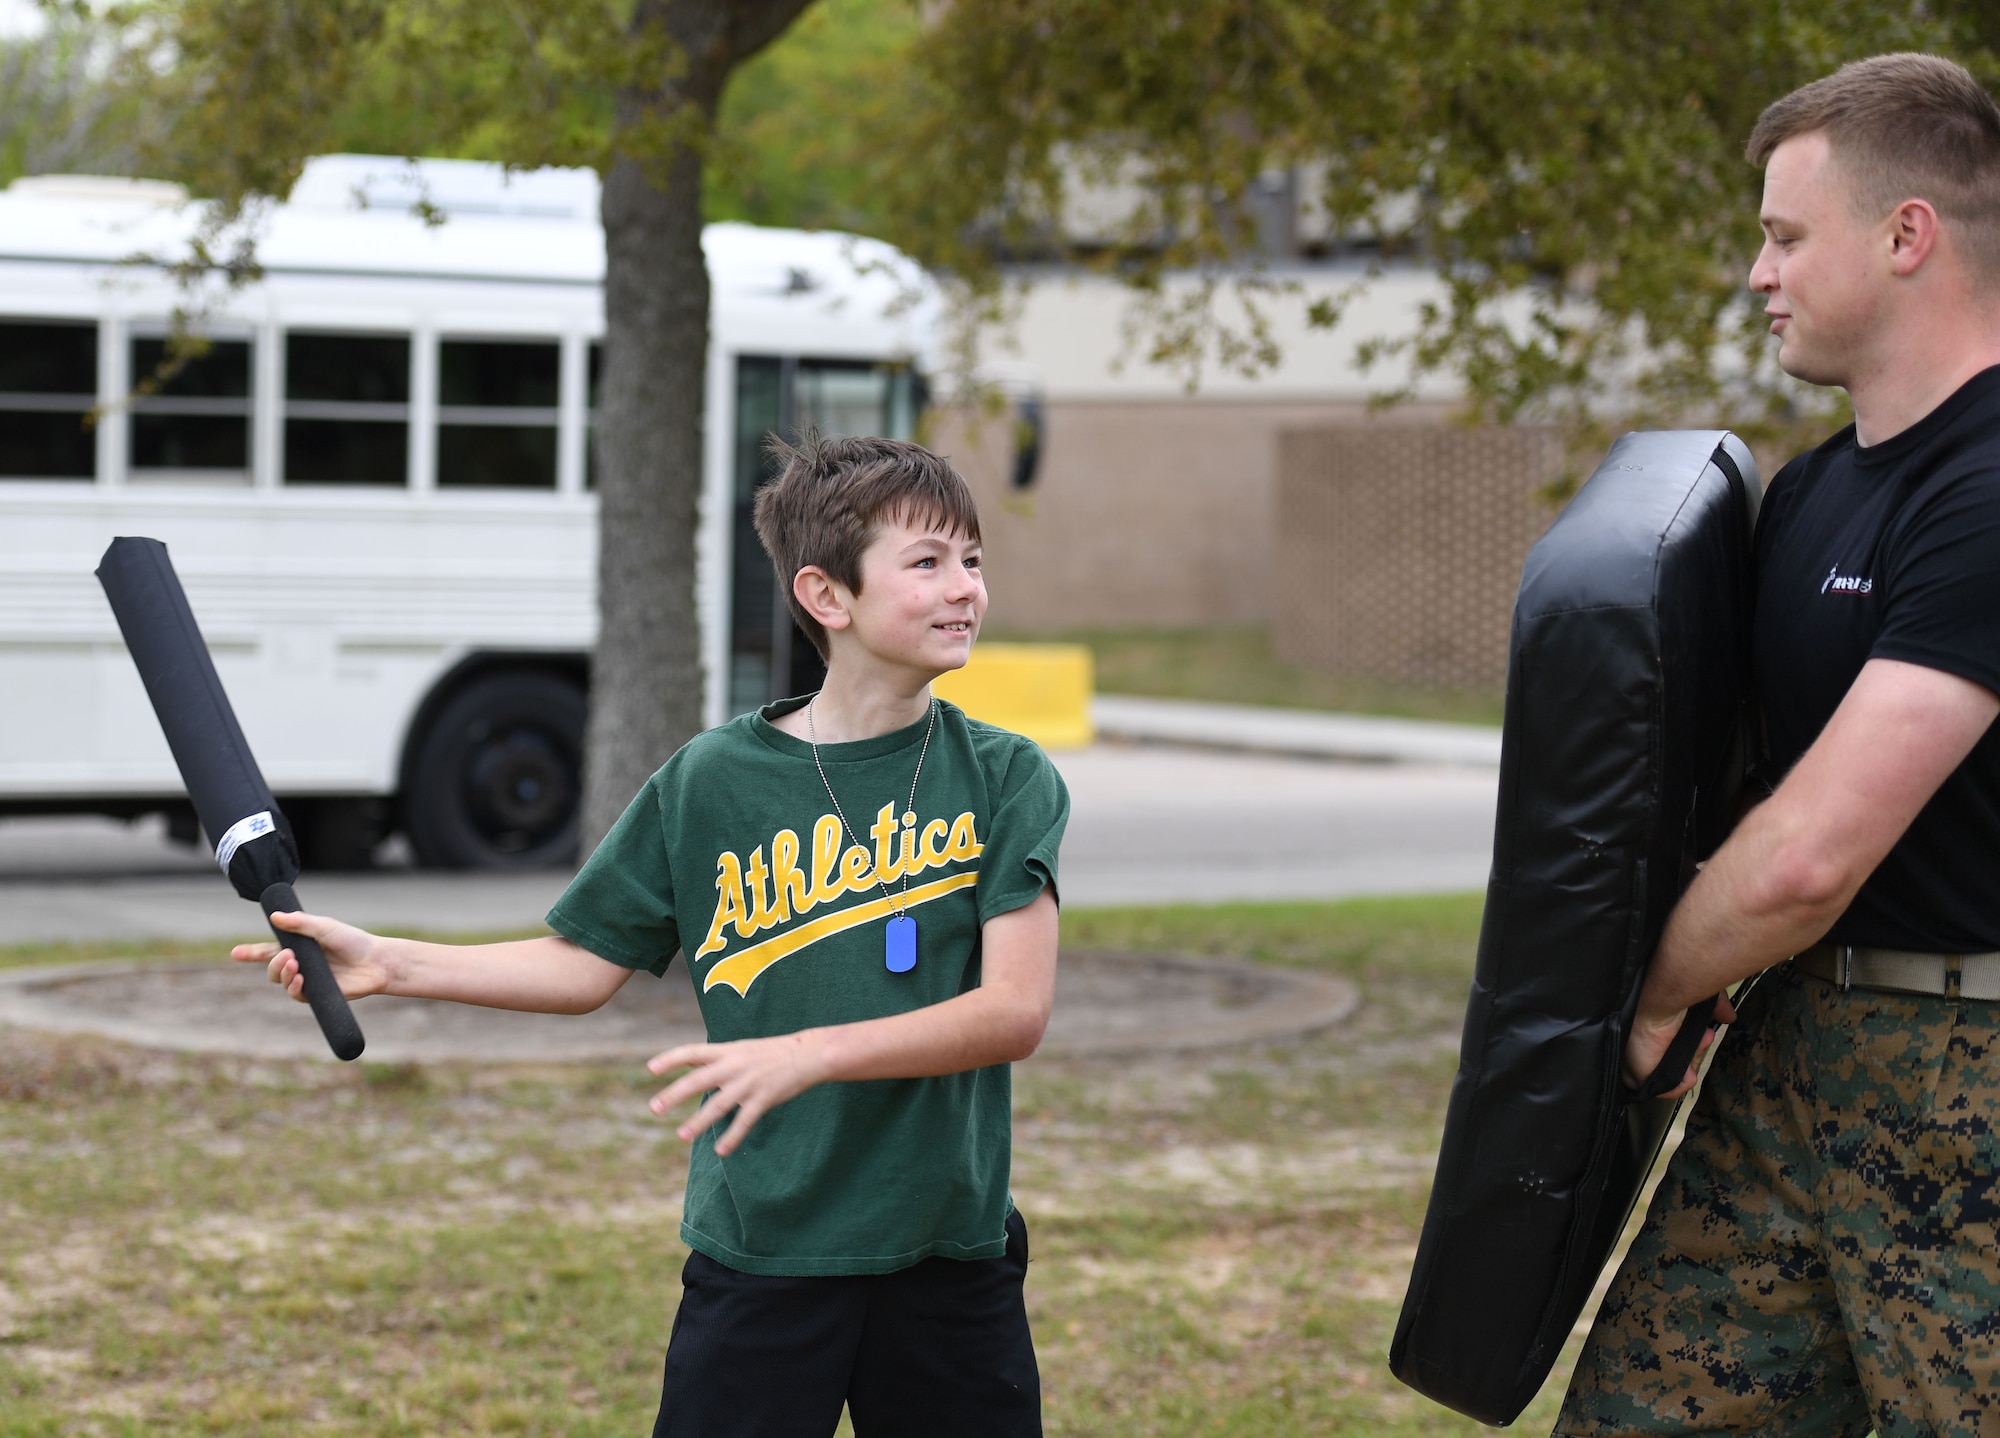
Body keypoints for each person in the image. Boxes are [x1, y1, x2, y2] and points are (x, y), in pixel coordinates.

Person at [239, 434, 1067, 1438]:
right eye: (926, 562)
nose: (964, 588)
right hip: (762, 1248)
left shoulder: (1005, 776)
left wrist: (808, 1052)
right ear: (827, 595)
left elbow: (1012, 1012)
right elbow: (585, 961)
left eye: (971, 560)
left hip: (946, 1252)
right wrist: (396, 960)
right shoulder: (710, 780)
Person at [1555, 53, 2000, 1438]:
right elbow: (1733, 788)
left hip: (1971, 1066)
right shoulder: (1811, 491)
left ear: (1906, 234)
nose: (1759, 271)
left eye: (1785, 234)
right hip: (1796, 1040)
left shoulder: (1988, 492)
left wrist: (1643, 1000)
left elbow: (1810, 853)